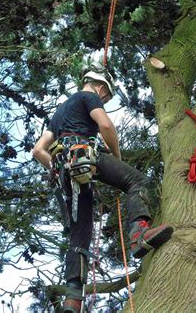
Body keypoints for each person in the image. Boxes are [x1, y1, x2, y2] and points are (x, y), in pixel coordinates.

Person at [32, 63, 173, 313]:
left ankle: (73, 300)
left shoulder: (58, 113)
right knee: (137, 181)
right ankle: (138, 235)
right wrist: (117, 159)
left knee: (79, 235)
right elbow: (106, 126)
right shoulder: (88, 96)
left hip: (67, 170)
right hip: (85, 153)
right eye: (105, 97)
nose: (104, 101)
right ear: (99, 87)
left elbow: (38, 150)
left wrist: (57, 165)